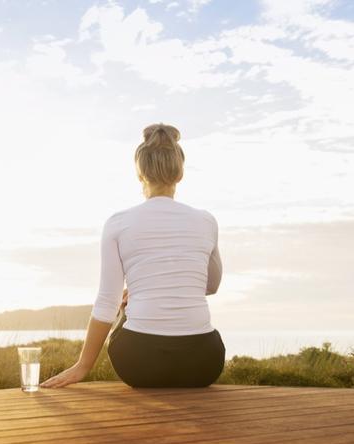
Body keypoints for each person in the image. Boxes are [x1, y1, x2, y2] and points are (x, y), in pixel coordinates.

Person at [39, 123, 225, 389]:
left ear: (140, 175)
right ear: (180, 174)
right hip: (203, 363)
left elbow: (107, 302)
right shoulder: (206, 221)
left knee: (127, 307)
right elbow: (211, 285)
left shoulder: (118, 223)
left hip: (139, 363)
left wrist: (83, 366)